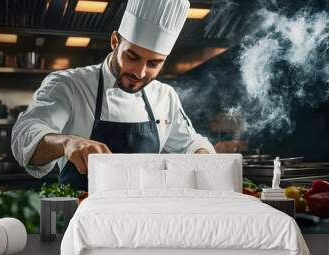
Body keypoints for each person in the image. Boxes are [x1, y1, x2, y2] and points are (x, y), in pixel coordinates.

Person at [11, 0, 216, 191]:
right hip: (82, 217)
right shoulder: (69, 85)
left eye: (154, 63)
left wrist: (202, 156)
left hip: (145, 218)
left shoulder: (165, 96)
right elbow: (24, 137)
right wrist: (67, 143)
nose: (140, 72)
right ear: (115, 41)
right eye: (132, 57)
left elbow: (191, 143)